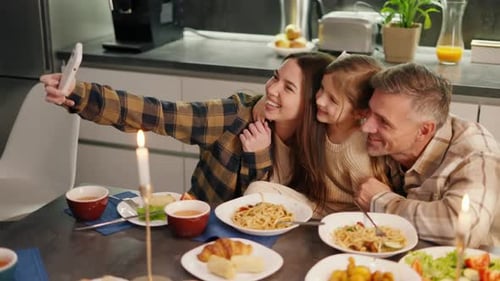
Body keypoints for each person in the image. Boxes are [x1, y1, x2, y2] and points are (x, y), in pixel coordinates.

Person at [40, 52, 334, 205]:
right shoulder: (235, 115)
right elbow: (158, 113)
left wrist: (258, 156)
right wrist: (80, 94)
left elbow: (273, 215)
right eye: (274, 77)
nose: (272, 89)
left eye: (288, 87)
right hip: (202, 228)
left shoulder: (322, 144)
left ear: (311, 103)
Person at [354, 62, 500, 248]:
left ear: (424, 131)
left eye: (383, 122)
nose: (366, 127)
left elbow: (463, 228)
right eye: (370, 112)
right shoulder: (393, 138)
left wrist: (382, 202)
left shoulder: (475, 153)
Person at [246, 54, 390, 217]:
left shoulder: (356, 152)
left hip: (347, 216)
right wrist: (264, 100)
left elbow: (372, 202)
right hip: (314, 205)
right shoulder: (320, 120)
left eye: (333, 100)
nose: (320, 100)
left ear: (359, 112)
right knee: (257, 190)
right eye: (321, 88)